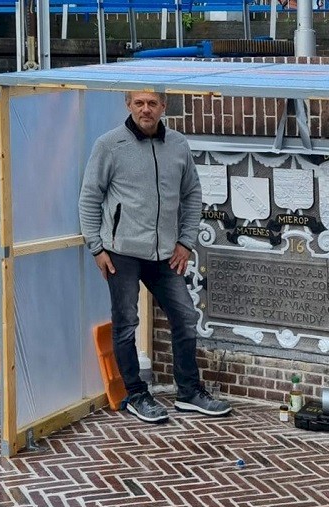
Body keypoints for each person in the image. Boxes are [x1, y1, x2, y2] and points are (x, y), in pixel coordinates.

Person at [78, 91, 232, 423]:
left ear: (164, 107)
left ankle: (189, 393)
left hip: (165, 254)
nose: (145, 109)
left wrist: (186, 242)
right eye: (139, 103)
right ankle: (136, 395)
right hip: (122, 253)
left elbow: (192, 194)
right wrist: (96, 247)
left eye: (152, 103)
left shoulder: (178, 145)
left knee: (186, 318)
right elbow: (90, 196)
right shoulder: (109, 145)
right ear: (128, 105)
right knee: (126, 324)